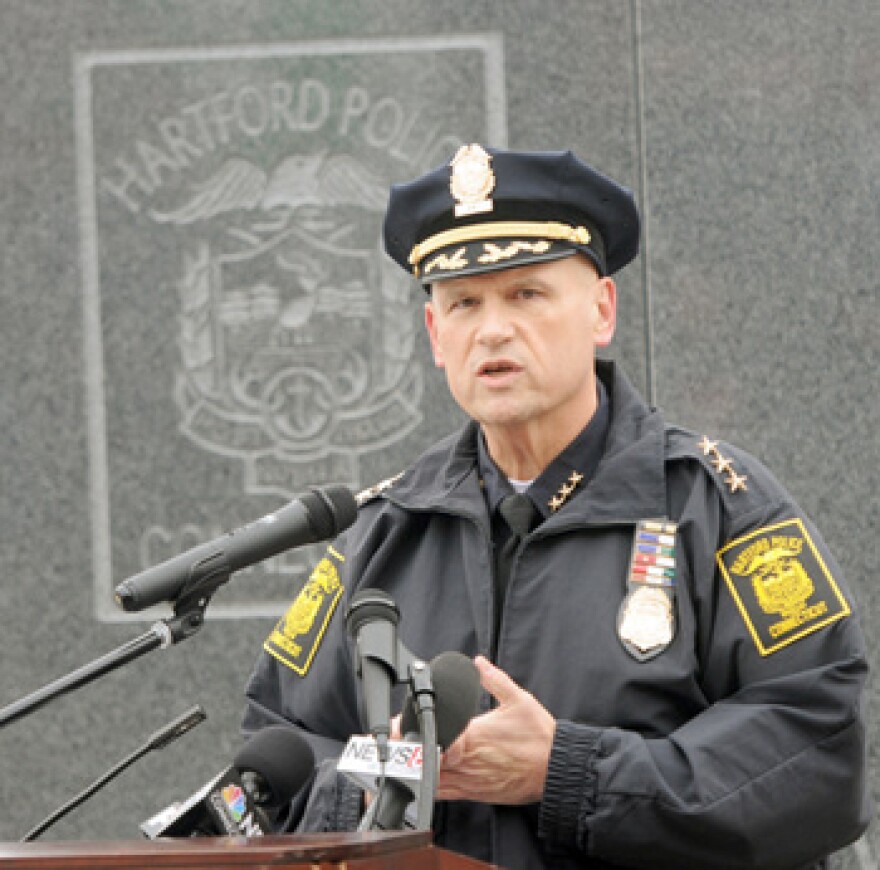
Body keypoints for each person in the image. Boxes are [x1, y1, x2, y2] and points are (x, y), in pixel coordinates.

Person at [242, 144, 871, 868]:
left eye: (526, 294)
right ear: (434, 337)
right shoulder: (387, 531)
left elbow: (816, 750)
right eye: (465, 303)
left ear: (601, 310)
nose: (494, 329)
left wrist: (569, 774)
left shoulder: (719, 508)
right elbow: (277, 745)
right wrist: (368, 782)